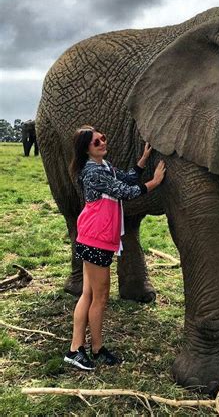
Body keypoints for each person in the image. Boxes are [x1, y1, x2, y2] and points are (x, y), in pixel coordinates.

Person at [64, 126, 166, 370]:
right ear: (86, 149)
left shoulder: (104, 167)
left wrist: (142, 161)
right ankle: (95, 349)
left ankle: (76, 349)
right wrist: (154, 182)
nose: (101, 143)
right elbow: (126, 192)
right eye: (95, 142)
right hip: (95, 239)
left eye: (102, 138)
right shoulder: (92, 172)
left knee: (88, 295)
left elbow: (128, 179)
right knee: (99, 298)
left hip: (94, 237)